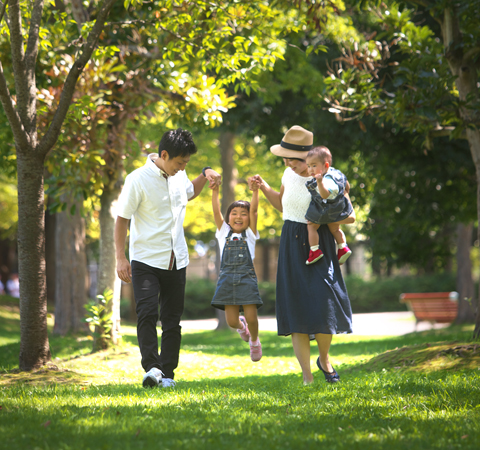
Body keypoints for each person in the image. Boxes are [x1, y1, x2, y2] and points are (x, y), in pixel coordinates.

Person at [115, 128, 221, 389]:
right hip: (146, 259)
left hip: (178, 259)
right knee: (147, 313)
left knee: (172, 321)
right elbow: (122, 218)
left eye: (186, 163)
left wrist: (205, 172)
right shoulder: (137, 179)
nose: (182, 167)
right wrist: (120, 257)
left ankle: (167, 374)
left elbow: (190, 192)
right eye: (179, 162)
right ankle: (152, 368)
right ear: (164, 155)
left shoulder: (179, 174)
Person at [249, 125, 354, 385]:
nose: (288, 164)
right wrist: (263, 188)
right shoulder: (287, 174)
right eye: (285, 159)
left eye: (292, 159)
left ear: (308, 157)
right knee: (295, 307)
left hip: (319, 241)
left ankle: (325, 358)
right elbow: (281, 205)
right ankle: (307, 376)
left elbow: (346, 210)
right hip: (292, 241)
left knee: (325, 300)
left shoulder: (329, 178)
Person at [210, 183, 263, 361]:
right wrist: (215, 190)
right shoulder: (223, 232)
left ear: (249, 218)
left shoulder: (250, 234)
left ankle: (254, 341)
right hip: (226, 281)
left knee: (252, 317)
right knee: (232, 321)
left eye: (243, 213)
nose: (238, 217)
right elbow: (216, 211)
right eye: (234, 213)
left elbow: (255, 210)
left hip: (246, 280)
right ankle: (242, 328)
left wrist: (255, 191)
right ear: (228, 218)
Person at [304, 146, 353, 265]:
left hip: (326, 209)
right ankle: (342, 247)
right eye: (309, 165)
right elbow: (347, 186)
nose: (310, 169)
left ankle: (314, 250)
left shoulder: (325, 180)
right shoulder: (336, 172)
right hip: (339, 208)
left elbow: (324, 195)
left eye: (314, 166)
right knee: (335, 228)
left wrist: (320, 182)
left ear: (325, 166)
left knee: (311, 226)